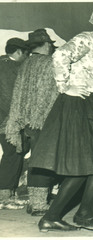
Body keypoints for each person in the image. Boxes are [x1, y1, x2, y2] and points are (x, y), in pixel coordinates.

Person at [26, 8, 93, 232]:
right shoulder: (87, 39)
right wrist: (66, 86)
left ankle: (61, 215)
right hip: (78, 104)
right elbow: (60, 56)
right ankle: (80, 214)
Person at [6, 29, 59, 216]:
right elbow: (54, 94)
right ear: (45, 45)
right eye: (50, 44)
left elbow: (19, 94)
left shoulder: (26, 64)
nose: (52, 47)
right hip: (46, 120)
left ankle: (34, 201)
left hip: (29, 121)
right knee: (45, 160)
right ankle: (38, 204)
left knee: (37, 159)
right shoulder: (51, 63)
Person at [0, 38, 29, 209]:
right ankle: (4, 196)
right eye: (26, 54)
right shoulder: (9, 68)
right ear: (18, 52)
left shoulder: (2, 63)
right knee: (13, 153)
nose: (27, 57)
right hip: (6, 119)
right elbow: (9, 97)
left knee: (14, 152)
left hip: (4, 118)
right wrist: (15, 119)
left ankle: (6, 193)